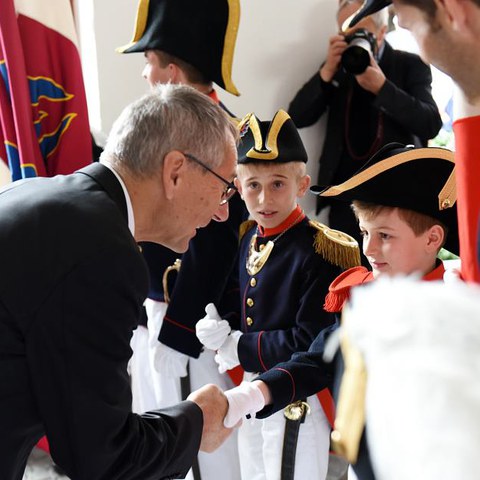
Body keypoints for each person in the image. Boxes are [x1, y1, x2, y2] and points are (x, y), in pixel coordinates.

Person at [0, 83, 239, 480]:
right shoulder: (100, 251)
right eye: (225, 186)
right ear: (175, 172)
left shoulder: (41, 195)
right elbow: (100, 456)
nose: (222, 212)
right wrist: (196, 422)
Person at [220, 142, 458, 480]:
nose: (369, 249)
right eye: (364, 232)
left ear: (432, 239)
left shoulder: (454, 309)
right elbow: (319, 358)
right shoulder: (364, 296)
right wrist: (255, 393)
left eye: (385, 235)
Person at [118, 1, 247, 478]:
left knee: (201, 452)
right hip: (155, 313)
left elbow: (214, 245)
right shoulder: (168, 128)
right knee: (153, 434)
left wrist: (178, 332)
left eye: (148, 62)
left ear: (171, 72)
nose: (145, 75)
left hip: (191, 320)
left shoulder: (219, 135)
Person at [196, 110, 361, 480]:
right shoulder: (249, 235)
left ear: (302, 185)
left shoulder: (320, 249)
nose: (264, 198)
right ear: (238, 187)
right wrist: (220, 327)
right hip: (251, 385)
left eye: (278, 184)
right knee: (252, 471)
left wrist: (238, 345)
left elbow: (309, 340)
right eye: (253, 185)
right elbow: (243, 299)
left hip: (296, 396)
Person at [287, 0, 442, 256]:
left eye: (363, 31)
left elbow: (429, 123)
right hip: (346, 195)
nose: (355, 39)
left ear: (382, 32)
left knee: (396, 274)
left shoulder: (409, 64)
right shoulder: (337, 66)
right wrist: (326, 72)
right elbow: (297, 117)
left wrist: (382, 88)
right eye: (348, 33)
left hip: (398, 194)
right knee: (351, 274)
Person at [347, 0, 480, 285]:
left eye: (410, 27)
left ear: (451, 10)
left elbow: (428, 121)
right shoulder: (470, 97)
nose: (422, 51)